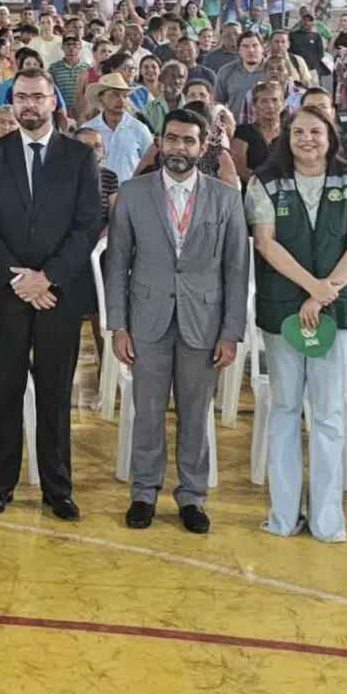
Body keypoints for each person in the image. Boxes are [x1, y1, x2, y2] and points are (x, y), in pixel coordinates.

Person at [0, 66, 103, 520]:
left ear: (52, 102)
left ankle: (57, 488)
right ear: (12, 103)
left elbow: (88, 224)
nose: (29, 104)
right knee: (5, 390)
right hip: (6, 294)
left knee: (55, 392)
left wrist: (48, 278)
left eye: (37, 97)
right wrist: (19, 280)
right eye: (21, 97)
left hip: (58, 295)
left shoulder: (79, 156)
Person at [105, 108, 247, 533]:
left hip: (204, 322)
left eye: (188, 140)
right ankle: (144, 492)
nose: (179, 147)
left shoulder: (225, 197)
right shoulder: (132, 193)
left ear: (202, 147)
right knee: (147, 411)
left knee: (195, 413)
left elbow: (237, 269)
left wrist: (231, 332)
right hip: (146, 319)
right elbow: (117, 264)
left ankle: (192, 496)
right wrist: (118, 325)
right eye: (172, 138)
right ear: (160, 143)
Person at [245, 103, 347, 541]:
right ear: (286, 137)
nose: (307, 139)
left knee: (329, 412)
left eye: (316, 131)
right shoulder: (264, 182)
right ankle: (283, 515)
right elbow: (266, 243)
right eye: (298, 132)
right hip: (283, 309)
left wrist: (325, 293)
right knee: (284, 408)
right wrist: (311, 289)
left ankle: (326, 519)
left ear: (330, 136)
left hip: (336, 311)